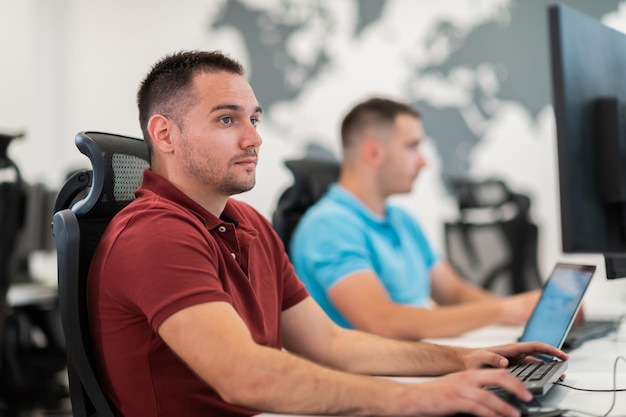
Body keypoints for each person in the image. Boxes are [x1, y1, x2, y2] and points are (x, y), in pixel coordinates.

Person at [88, 50, 566, 417]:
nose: (254, 137)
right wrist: (412, 400)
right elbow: (245, 377)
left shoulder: (248, 224)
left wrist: (462, 361)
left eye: (254, 119)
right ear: (165, 134)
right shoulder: (155, 234)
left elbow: (331, 344)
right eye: (227, 118)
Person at [290, 97, 542, 340]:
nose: (423, 162)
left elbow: (453, 293)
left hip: (412, 365)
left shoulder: (402, 220)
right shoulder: (328, 226)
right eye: (412, 146)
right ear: (373, 153)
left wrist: (526, 312)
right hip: (373, 378)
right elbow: (382, 322)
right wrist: (505, 310)